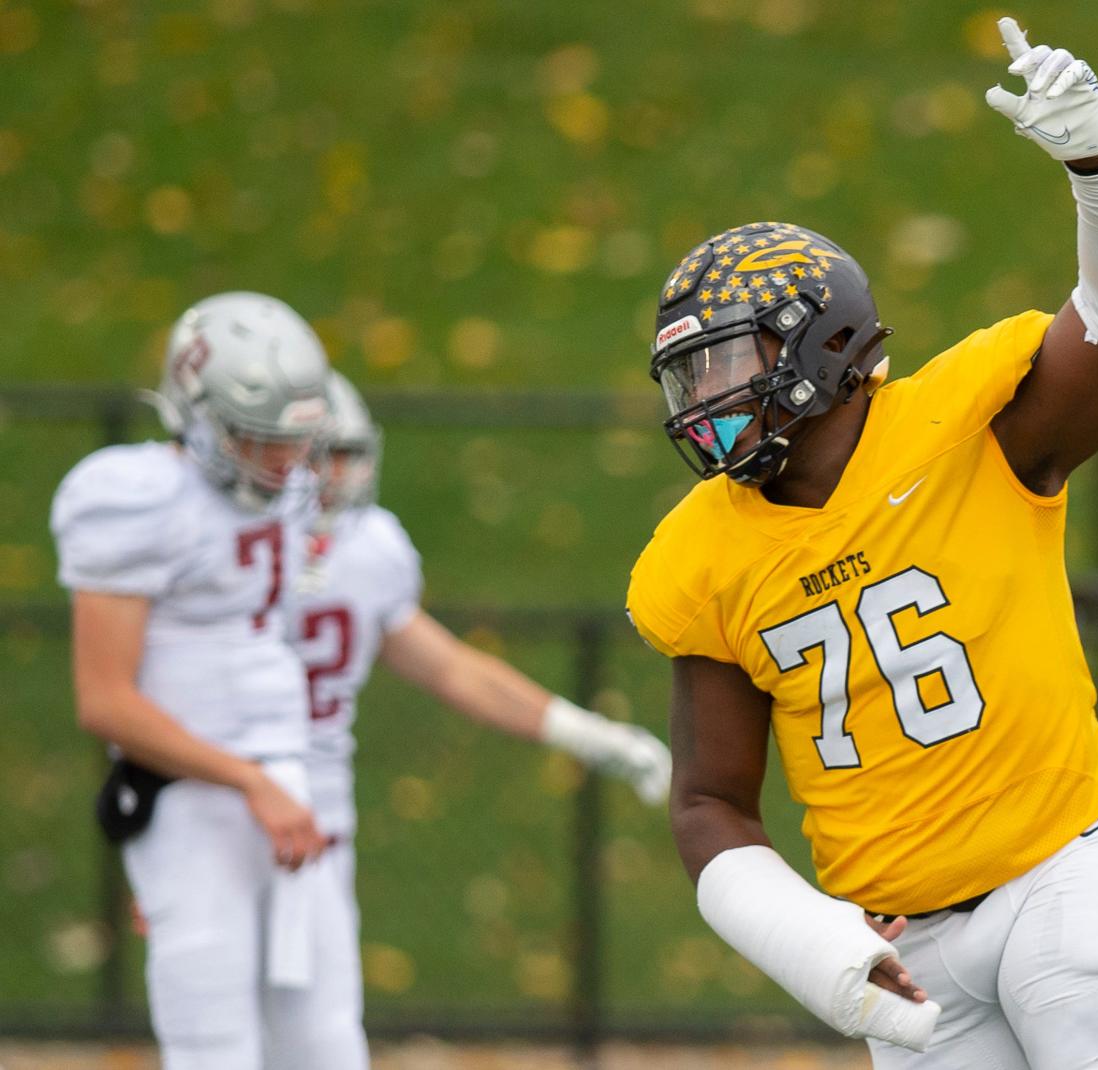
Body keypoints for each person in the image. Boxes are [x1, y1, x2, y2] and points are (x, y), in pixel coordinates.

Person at [626, 17, 1098, 1067]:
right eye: (689, 379)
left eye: (724, 366)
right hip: (903, 937)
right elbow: (709, 802)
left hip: (1066, 867)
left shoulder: (966, 425)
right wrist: (810, 941)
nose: (706, 404)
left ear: (821, 345)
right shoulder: (701, 556)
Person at [286, 372, 672, 1015]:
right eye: (314, 456)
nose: (332, 477)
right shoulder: (216, 540)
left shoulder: (369, 546)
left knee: (324, 1038)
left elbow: (452, 669)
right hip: (219, 808)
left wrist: (587, 734)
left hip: (323, 820)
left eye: (345, 456)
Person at [51, 292, 369, 1069]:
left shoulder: (283, 498)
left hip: (287, 788)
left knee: (327, 1042)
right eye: (254, 438)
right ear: (193, 407)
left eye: (289, 440)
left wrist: (277, 780)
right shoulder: (133, 498)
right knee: (213, 1045)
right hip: (199, 797)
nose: (281, 461)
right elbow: (105, 700)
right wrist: (244, 786)